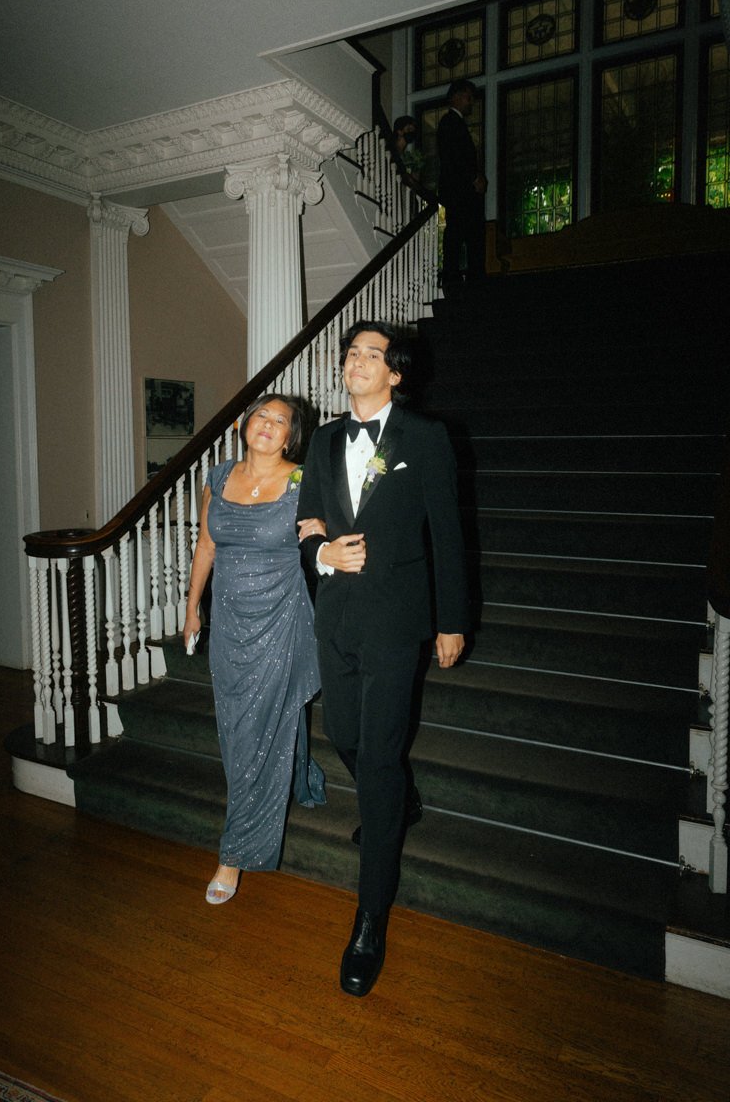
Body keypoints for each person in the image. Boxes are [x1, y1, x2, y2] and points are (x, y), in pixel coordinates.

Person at [296, 321, 469, 996]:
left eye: (371, 354)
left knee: (378, 756)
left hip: (398, 622)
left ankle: (369, 920)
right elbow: (309, 518)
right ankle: (398, 793)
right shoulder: (324, 439)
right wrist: (321, 554)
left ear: (395, 373)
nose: (356, 361)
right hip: (335, 618)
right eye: (351, 354)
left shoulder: (425, 438)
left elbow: (449, 532)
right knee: (343, 733)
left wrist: (451, 621)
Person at [183, 394, 325, 905]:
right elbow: (206, 544)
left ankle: (234, 853)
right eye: (261, 415)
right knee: (239, 723)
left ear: (290, 436)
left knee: (252, 734)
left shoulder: (304, 482)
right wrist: (192, 605)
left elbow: (320, 540)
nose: (268, 425)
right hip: (229, 625)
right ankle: (301, 776)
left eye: (280, 421)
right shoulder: (219, 477)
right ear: (244, 425)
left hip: (281, 619)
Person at [437, 78, 488, 296]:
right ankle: (455, 275)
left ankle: (465, 275)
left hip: (460, 192)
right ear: (456, 96)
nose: (471, 102)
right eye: (468, 97)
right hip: (460, 192)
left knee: (466, 233)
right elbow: (455, 158)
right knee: (460, 232)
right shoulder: (450, 123)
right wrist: (473, 178)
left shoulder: (454, 124)